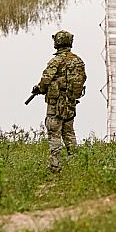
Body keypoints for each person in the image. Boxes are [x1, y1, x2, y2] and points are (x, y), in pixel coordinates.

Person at [31, 29, 86, 172]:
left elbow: (46, 80)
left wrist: (39, 89)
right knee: (69, 133)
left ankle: (55, 166)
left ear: (57, 43)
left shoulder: (56, 61)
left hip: (56, 104)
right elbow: (82, 79)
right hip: (70, 103)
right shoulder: (78, 61)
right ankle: (75, 163)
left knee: (54, 132)